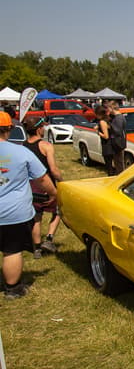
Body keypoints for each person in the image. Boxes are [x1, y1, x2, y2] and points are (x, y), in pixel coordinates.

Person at [0, 111, 57, 299]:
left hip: (12, 212)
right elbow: (42, 179)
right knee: (12, 251)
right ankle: (13, 288)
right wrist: (54, 194)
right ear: (9, 129)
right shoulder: (21, 152)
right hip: (13, 213)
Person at [22, 115, 63, 258]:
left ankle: (37, 248)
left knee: (36, 218)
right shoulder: (46, 146)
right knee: (59, 211)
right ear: (39, 129)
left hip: (31, 187)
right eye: (43, 127)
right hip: (47, 185)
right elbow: (53, 169)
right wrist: (61, 180)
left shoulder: (23, 146)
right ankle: (50, 238)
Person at [94, 104, 115, 176]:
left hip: (107, 145)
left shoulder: (102, 122)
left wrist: (98, 132)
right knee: (111, 165)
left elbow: (106, 136)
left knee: (109, 166)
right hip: (111, 145)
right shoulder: (108, 119)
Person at [108, 100, 127, 175]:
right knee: (117, 163)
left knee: (119, 163)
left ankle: (121, 177)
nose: (108, 110)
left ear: (112, 108)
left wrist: (109, 126)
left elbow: (118, 131)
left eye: (109, 108)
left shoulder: (119, 118)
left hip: (118, 144)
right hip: (117, 143)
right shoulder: (116, 117)